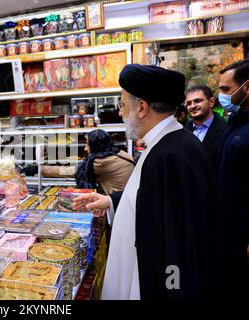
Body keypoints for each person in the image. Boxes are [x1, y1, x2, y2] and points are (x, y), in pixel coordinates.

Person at [73, 64, 226, 300]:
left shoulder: (168, 156)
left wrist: (171, 289)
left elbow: (174, 245)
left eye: (123, 105)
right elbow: (152, 200)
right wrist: (110, 200)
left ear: (142, 108)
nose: (121, 113)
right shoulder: (169, 143)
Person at [217, 59, 249, 299]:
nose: (221, 96)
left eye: (226, 90)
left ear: (246, 87)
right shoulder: (235, 122)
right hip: (229, 232)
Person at [75, 129, 134, 195]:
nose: (85, 148)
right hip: (129, 196)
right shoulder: (122, 153)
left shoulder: (100, 163)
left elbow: (76, 170)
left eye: (88, 144)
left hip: (116, 201)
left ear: (96, 145)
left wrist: (61, 171)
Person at [184, 85, 227, 170]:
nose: (192, 106)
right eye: (189, 103)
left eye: (198, 101)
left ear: (211, 102)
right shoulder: (184, 128)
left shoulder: (225, 129)